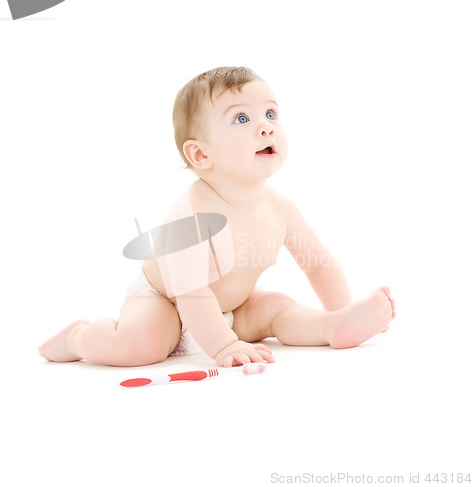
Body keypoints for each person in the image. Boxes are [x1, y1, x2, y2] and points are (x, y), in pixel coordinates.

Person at [39, 66, 396, 368]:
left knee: (276, 308)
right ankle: (78, 338)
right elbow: (190, 291)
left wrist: (342, 304)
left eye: (270, 114)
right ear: (200, 153)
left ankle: (334, 324)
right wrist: (224, 345)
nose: (265, 126)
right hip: (167, 301)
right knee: (139, 345)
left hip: (235, 304)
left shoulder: (281, 208)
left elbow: (318, 265)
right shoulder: (191, 213)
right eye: (242, 118)